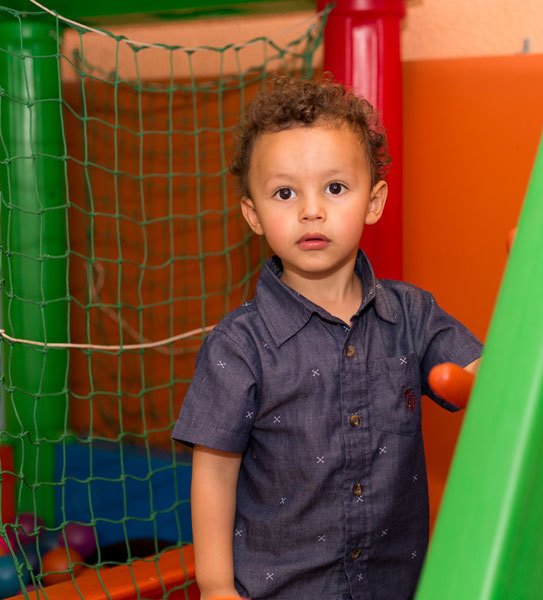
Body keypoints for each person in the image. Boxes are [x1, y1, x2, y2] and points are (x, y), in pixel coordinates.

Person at [172, 76, 482, 600]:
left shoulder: (413, 315)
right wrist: (216, 585)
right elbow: (215, 473)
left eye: (334, 188)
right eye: (285, 192)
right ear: (253, 214)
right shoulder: (239, 347)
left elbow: (483, 378)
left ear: (374, 200)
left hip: (395, 586)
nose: (310, 210)